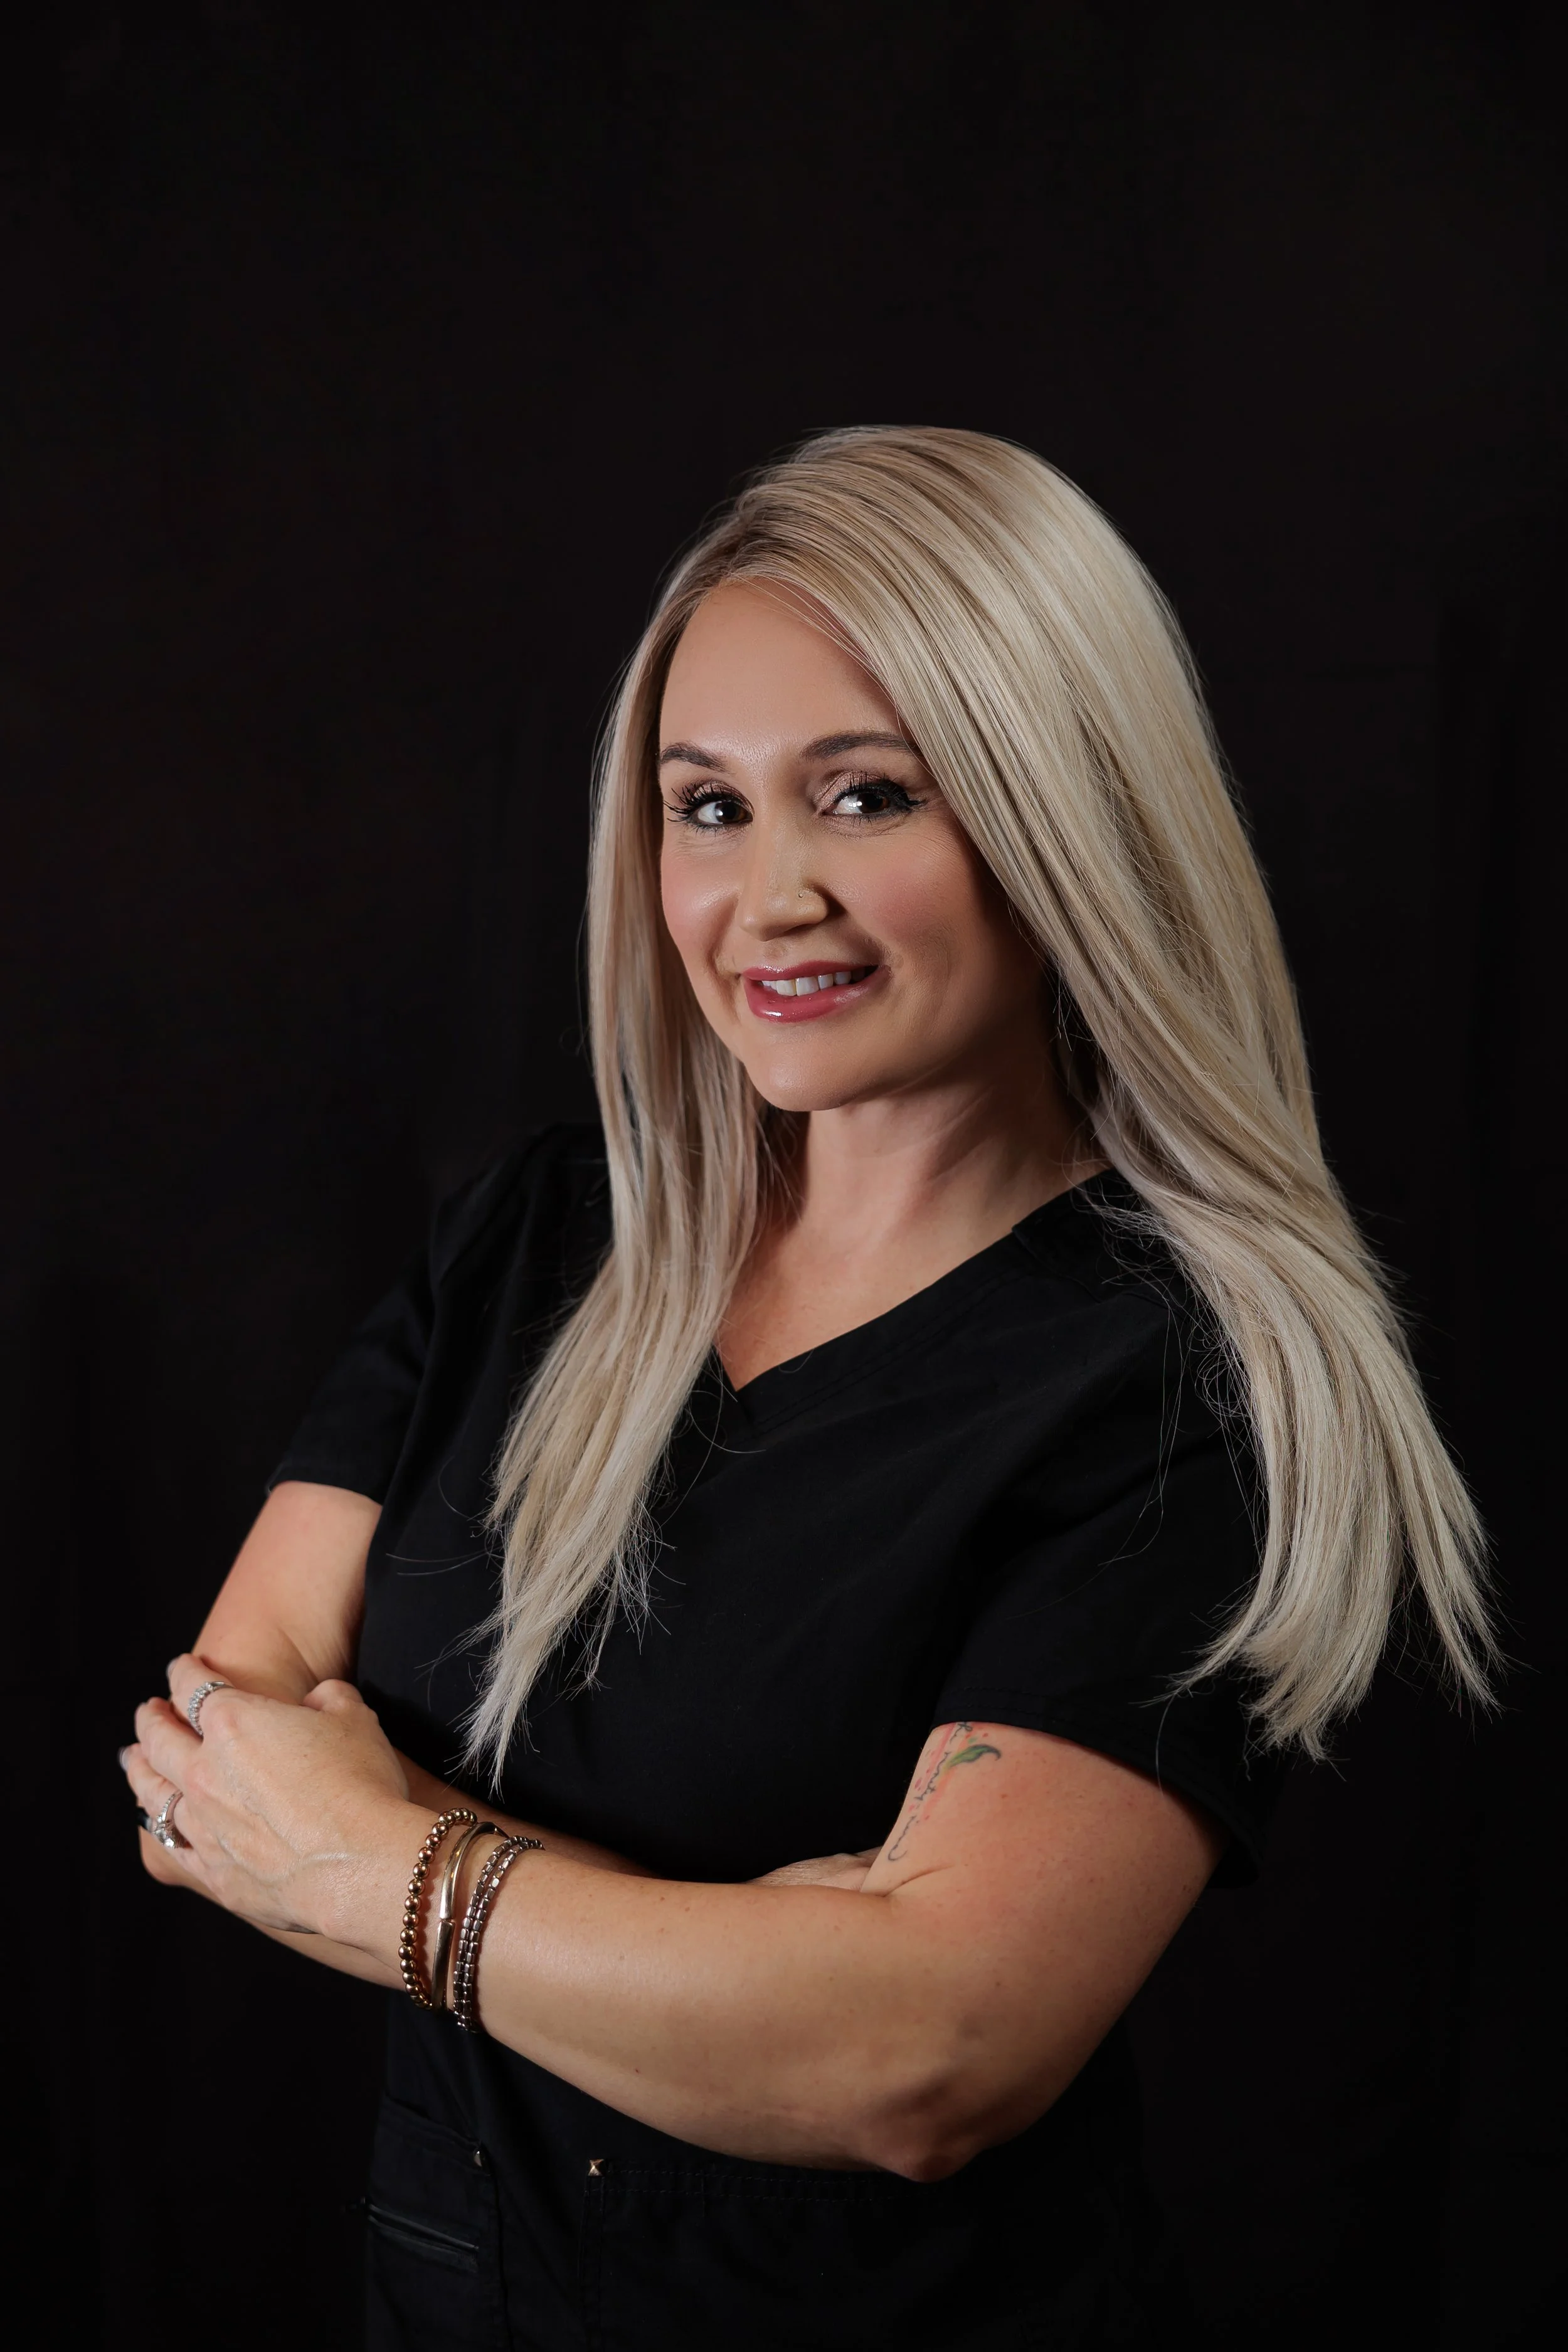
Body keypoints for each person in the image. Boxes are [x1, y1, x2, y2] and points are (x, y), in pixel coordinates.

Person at [122, 427, 1493, 2351]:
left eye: (863, 796)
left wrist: (379, 1853)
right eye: (706, 806)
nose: (765, 895)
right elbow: (204, 1777)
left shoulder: (1183, 1374)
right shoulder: (537, 1238)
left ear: (1057, 814)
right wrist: (753, 1958)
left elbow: (924, 2057)